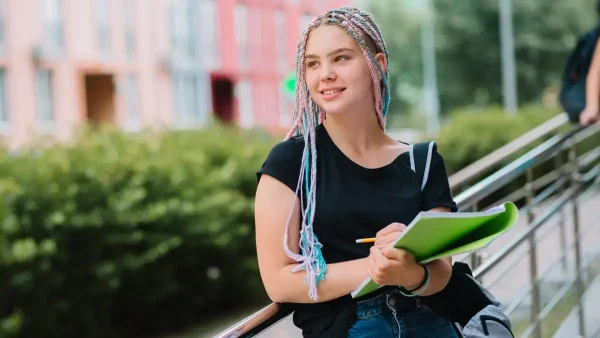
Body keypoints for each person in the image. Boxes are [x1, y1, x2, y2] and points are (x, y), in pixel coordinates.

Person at [255, 7, 458, 338]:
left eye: (341, 58)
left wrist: (410, 274)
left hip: (431, 323)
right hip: (348, 329)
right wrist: (375, 267)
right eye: (313, 63)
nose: (326, 74)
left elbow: (442, 272)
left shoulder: (422, 162)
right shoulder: (291, 163)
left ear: (377, 64)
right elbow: (278, 282)